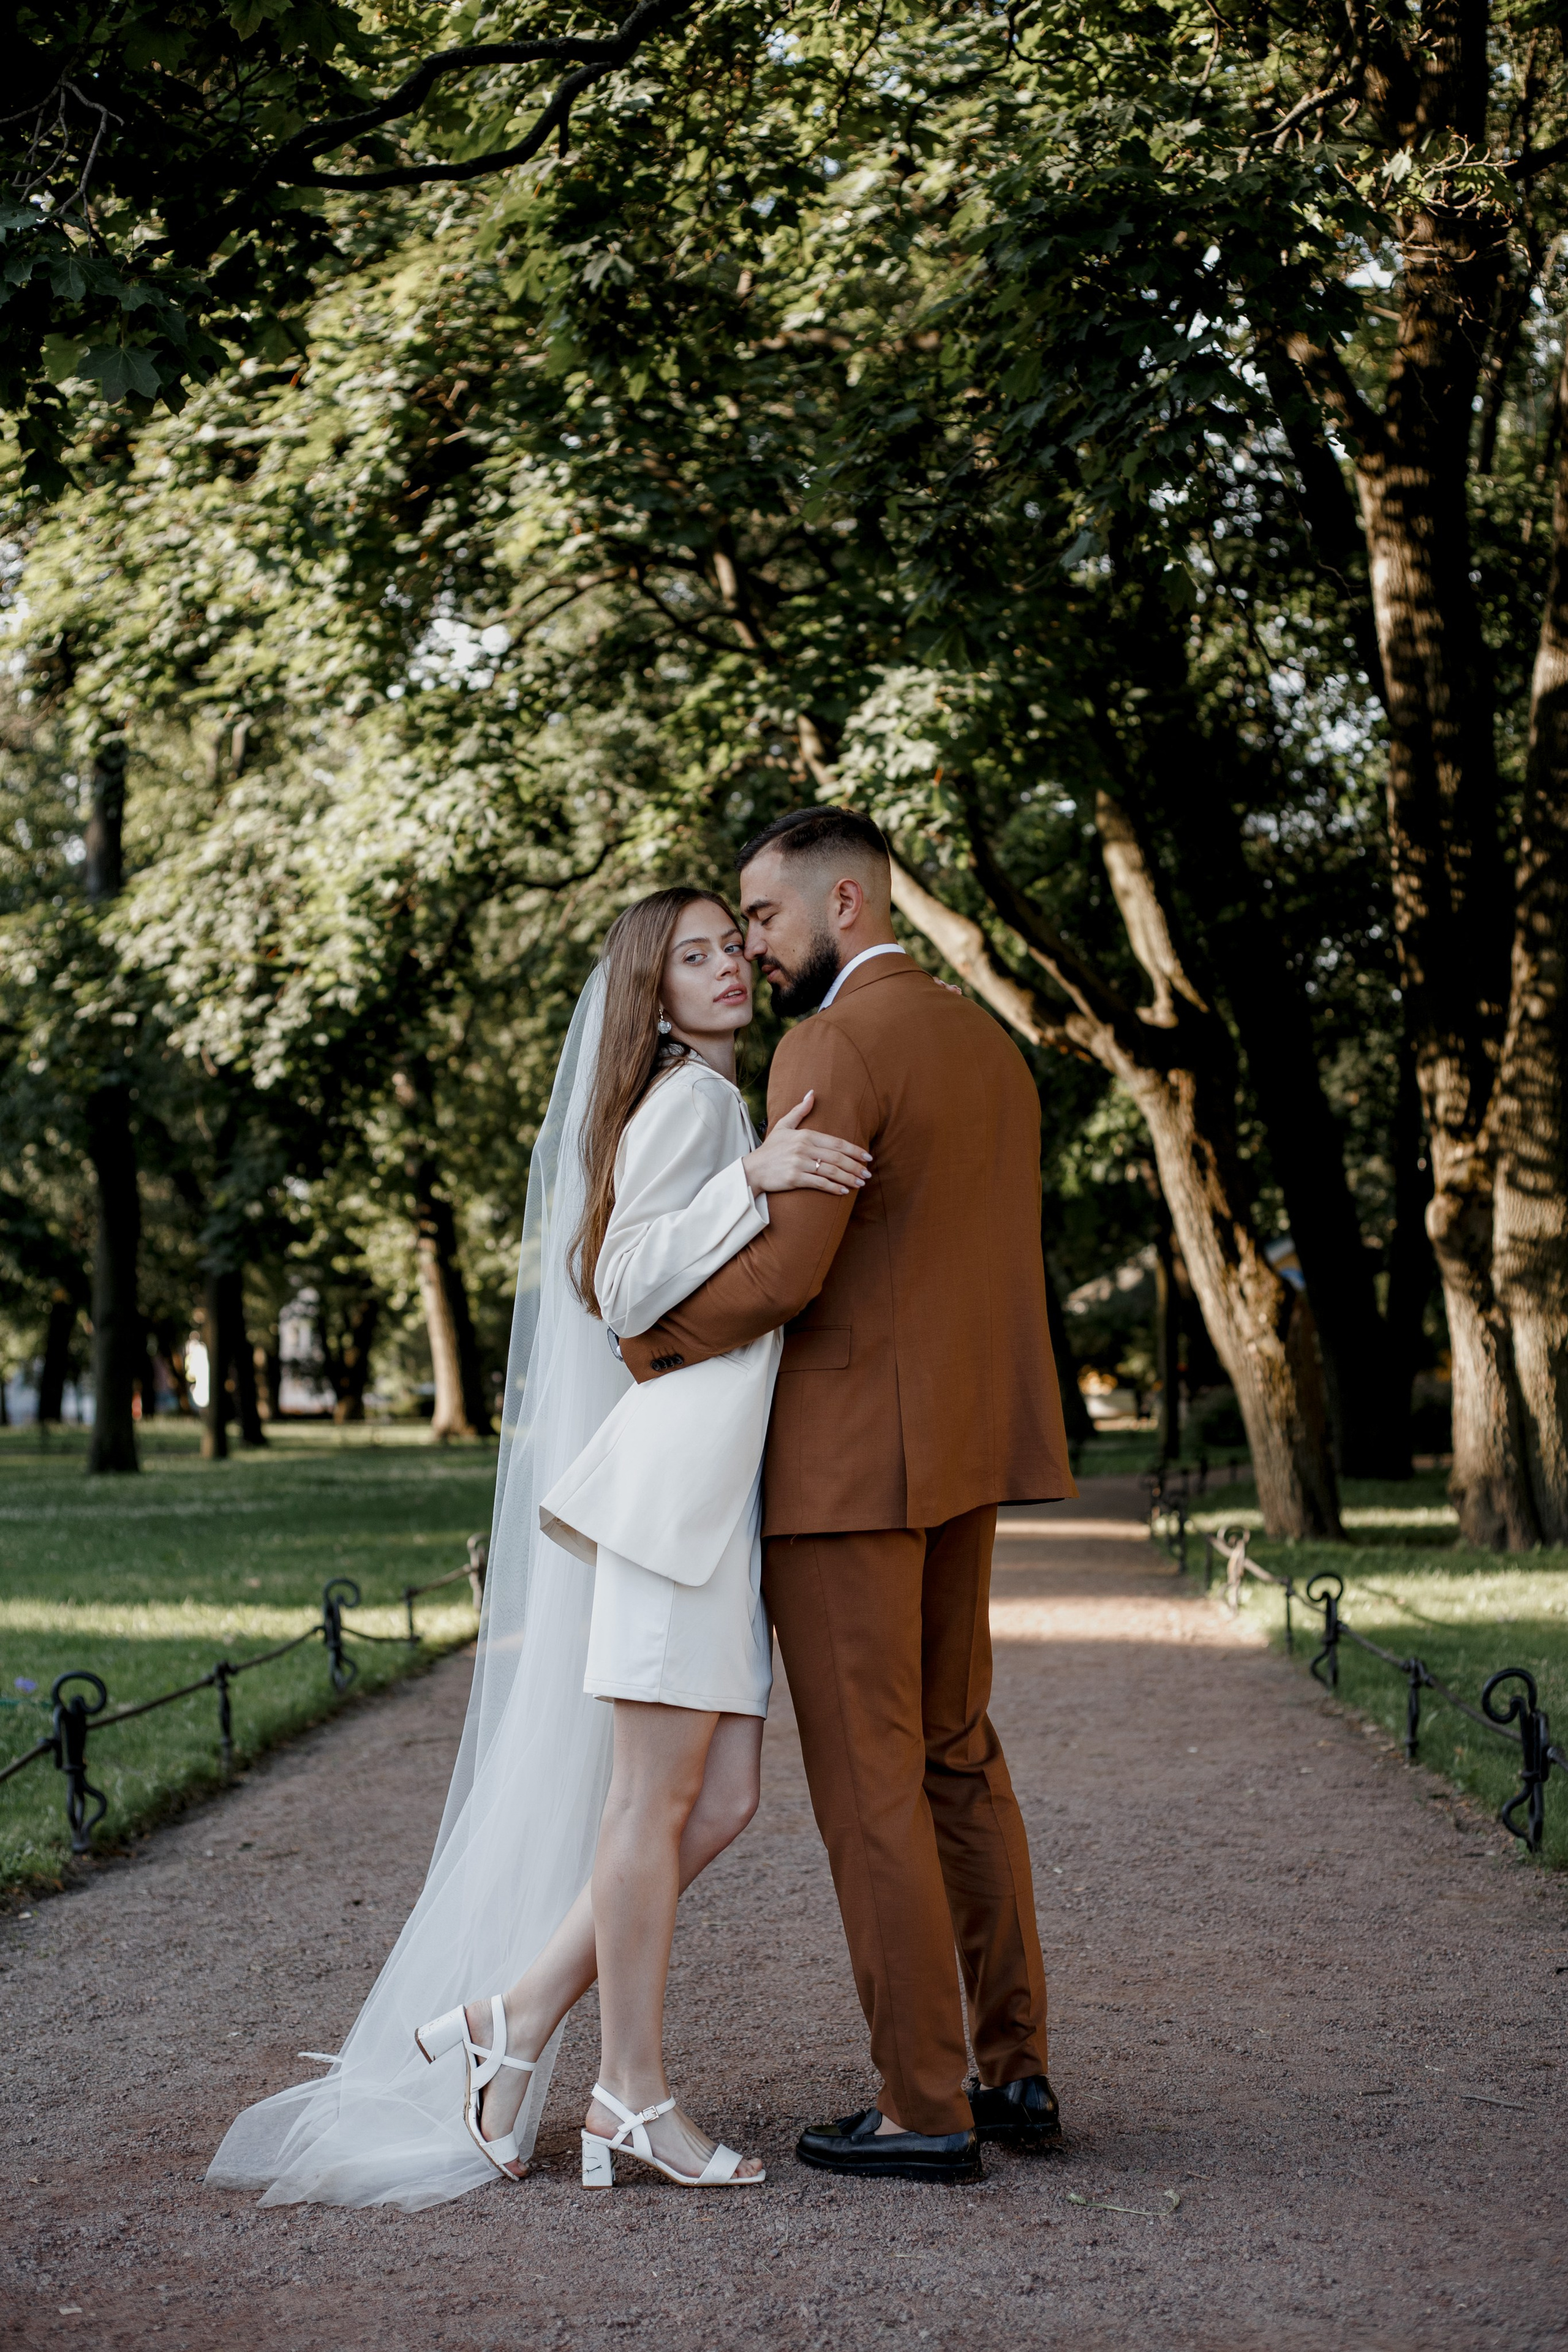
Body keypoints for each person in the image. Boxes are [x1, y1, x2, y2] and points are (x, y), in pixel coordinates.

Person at [206, 886, 867, 2207]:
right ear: (651, 992)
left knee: (718, 1799)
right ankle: (628, 2095)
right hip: (671, 1498)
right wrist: (749, 1179)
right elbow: (616, 1280)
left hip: (701, 1505)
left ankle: (506, 2025)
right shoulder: (693, 1104)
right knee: (651, 1805)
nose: (728, 967)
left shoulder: (710, 1098)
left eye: (732, 947)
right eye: (693, 957)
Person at [617, 807, 1076, 2184]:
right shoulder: (990, 1045)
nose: (752, 948)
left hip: (841, 1475)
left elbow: (785, 1270)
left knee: (871, 1779)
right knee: (955, 1756)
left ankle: (920, 2105)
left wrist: (649, 1341)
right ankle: (1013, 2071)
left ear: (848, 906)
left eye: (763, 917)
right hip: (964, 1453)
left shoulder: (831, 1043)